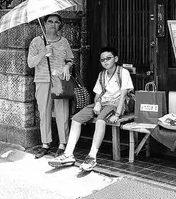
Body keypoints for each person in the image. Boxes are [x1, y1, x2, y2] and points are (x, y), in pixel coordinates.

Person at [48, 46, 134, 171]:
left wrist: (118, 113)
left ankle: (92, 156)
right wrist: (97, 103)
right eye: (102, 59)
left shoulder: (123, 72)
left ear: (115, 59)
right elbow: (98, 95)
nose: (105, 61)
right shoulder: (102, 75)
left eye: (108, 58)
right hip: (103, 103)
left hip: (115, 104)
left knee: (100, 120)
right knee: (76, 119)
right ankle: (68, 154)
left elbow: (123, 95)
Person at [28, 13, 73, 159]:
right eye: (50, 21)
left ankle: (63, 144)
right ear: (44, 24)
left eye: (56, 22)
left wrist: (67, 67)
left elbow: (70, 59)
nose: (53, 24)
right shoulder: (36, 41)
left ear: (60, 24)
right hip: (42, 80)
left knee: (62, 113)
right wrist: (43, 52)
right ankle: (46, 144)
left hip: (60, 80)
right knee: (44, 112)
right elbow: (30, 63)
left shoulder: (64, 41)